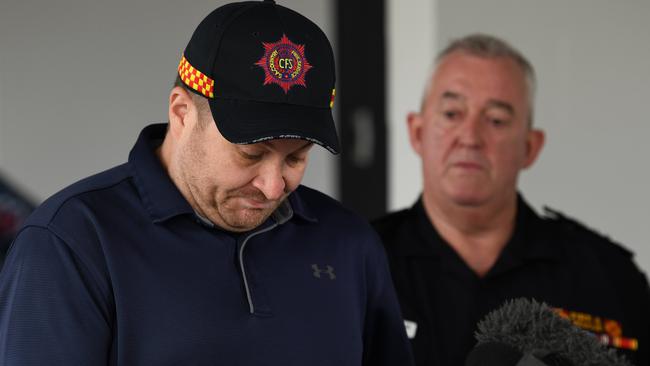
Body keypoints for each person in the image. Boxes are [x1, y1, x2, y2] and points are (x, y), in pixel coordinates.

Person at [0, 1, 414, 365]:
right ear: (181, 113)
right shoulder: (71, 241)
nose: (273, 187)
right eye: (250, 154)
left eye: (296, 157)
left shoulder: (348, 242)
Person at [372, 34, 649, 366]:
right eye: (451, 113)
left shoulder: (609, 276)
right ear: (417, 132)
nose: (471, 137)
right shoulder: (356, 263)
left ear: (530, 147)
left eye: (497, 120)